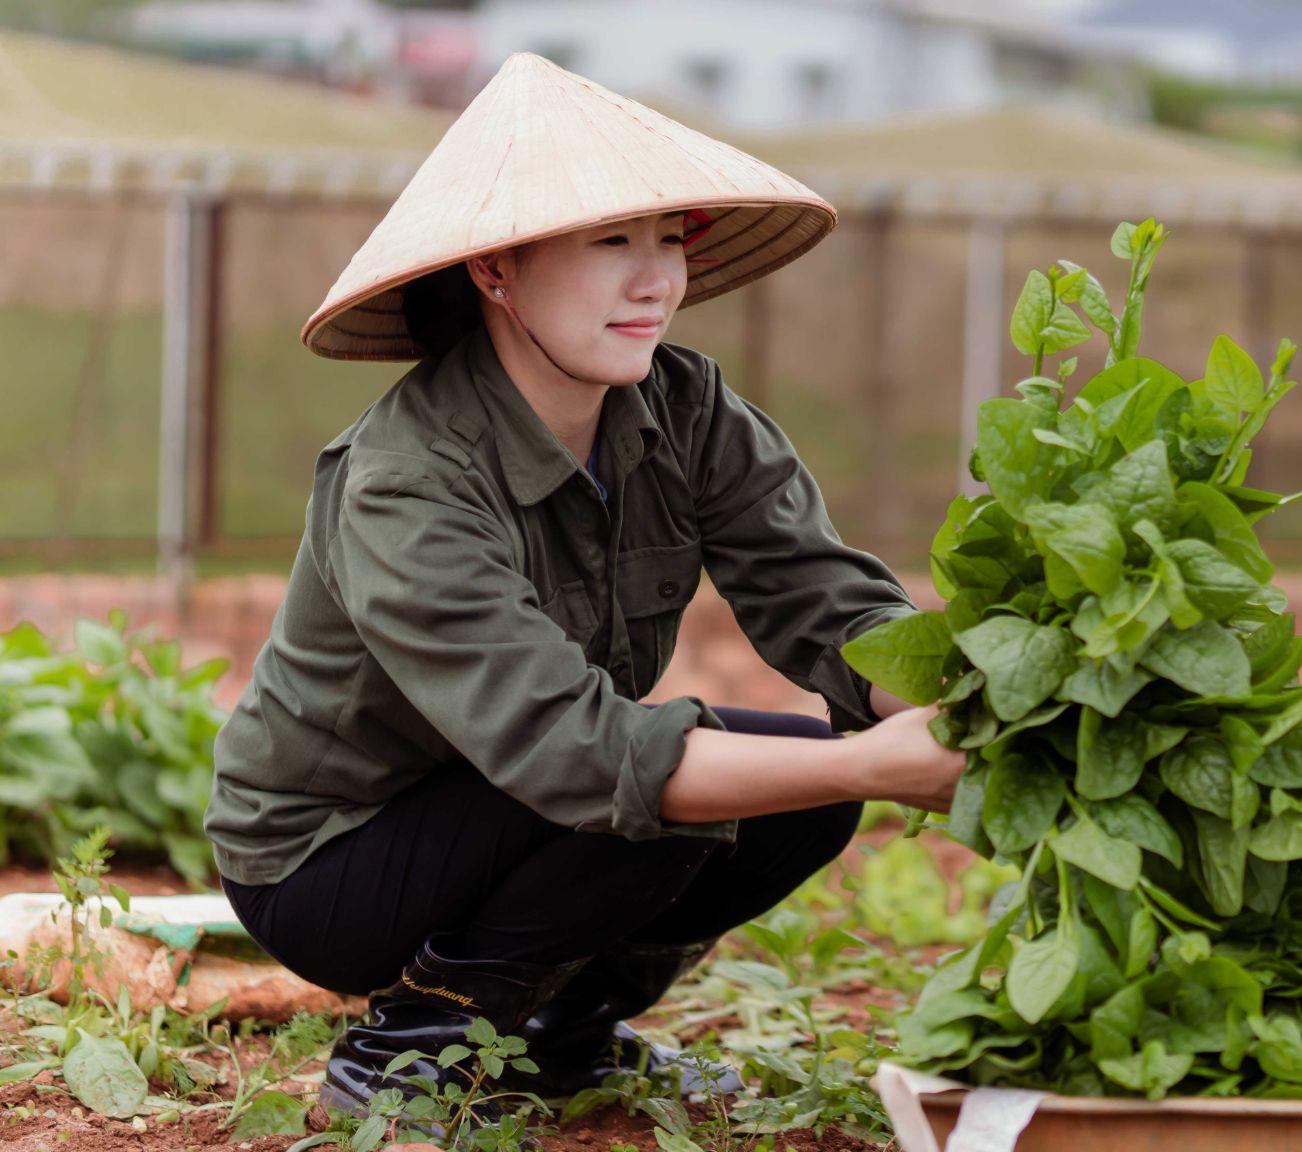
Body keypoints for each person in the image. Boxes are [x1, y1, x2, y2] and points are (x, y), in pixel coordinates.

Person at [202, 53, 964, 1125]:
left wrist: (956, 710)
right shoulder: (409, 479)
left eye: (669, 242)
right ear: (497, 271)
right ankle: (408, 1054)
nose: (655, 282)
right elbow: (574, 752)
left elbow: (820, 600)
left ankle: (562, 1037)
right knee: (678, 794)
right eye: (611, 244)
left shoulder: (684, 409)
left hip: (519, 799)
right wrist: (872, 763)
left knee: (797, 799)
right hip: (331, 861)